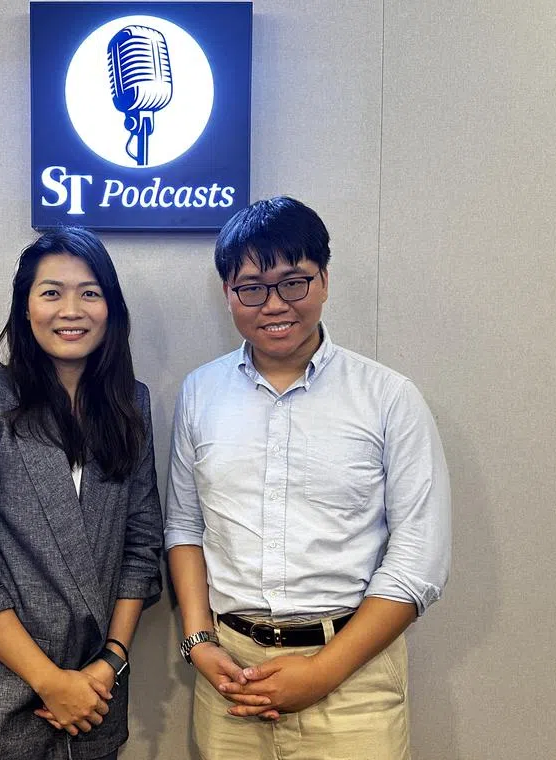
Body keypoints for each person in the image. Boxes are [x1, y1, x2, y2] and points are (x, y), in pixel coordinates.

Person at [165, 196, 451, 759]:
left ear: (324, 280)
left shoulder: (389, 398)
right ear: (228, 294)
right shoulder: (200, 393)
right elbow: (184, 526)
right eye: (252, 287)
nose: (274, 305)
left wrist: (321, 672)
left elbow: (419, 560)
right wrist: (199, 641)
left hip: (354, 682)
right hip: (229, 680)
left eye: (293, 282)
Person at [0, 227, 163, 760]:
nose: (71, 310)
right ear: (25, 308)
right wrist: (51, 680)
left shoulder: (131, 406)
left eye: (90, 292)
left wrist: (110, 662)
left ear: (111, 308)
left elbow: (142, 550)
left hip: (97, 697)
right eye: (51, 292)